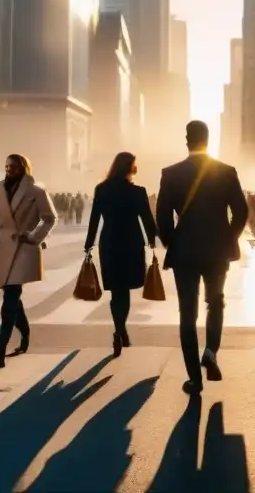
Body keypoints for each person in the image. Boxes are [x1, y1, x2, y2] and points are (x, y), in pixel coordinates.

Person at [156, 120, 249, 396]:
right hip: (217, 251)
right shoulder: (227, 172)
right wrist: (229, 237)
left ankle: (194, 380)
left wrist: (173, 242)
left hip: (184, 251)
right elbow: (241, 212)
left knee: (188, 311)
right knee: (216, 301)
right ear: (208, 140)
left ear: (187, 140)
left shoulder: (171, 174)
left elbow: (162, 217)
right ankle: (210, 350)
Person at [0, 154, 57, 371]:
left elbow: (50, 218)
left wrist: (34, 236)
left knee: (10, 299)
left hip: (24, 248)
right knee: (12, 297)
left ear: (24, 168)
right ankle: (26, 332)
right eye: (7, 166)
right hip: (3, 251)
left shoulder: (36, 191)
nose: (9, 169)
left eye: (14, 166)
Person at [84, 152, 158, 357]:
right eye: (135, 165)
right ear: (129, 167)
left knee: (116, 289)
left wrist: (89, 243)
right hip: (131, 242)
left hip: (109, 242)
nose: (136, 168)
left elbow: (94, 219)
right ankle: (120, 329)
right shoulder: (138, 192)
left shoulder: (102, 189)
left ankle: (119, 329)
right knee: (124, 290)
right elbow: (147, 219)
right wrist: (154, 240)